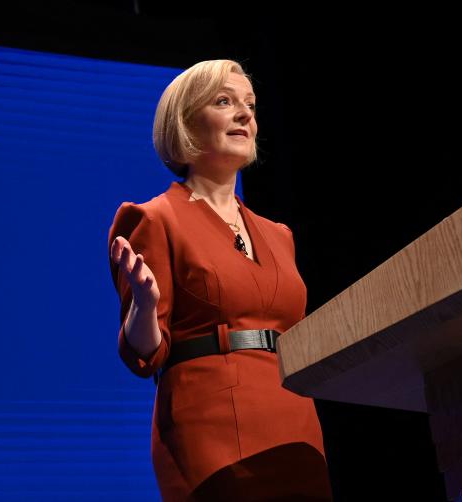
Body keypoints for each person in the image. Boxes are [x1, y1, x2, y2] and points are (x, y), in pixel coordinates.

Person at [107, 60, 334, 501]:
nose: (246, 114)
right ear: (186, 123)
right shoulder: (154, 219)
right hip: (211, 426)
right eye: (225, 101)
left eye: (250, 104)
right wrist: (144, 307)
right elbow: (144, 356)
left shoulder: (279, 235)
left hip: (295, 422)